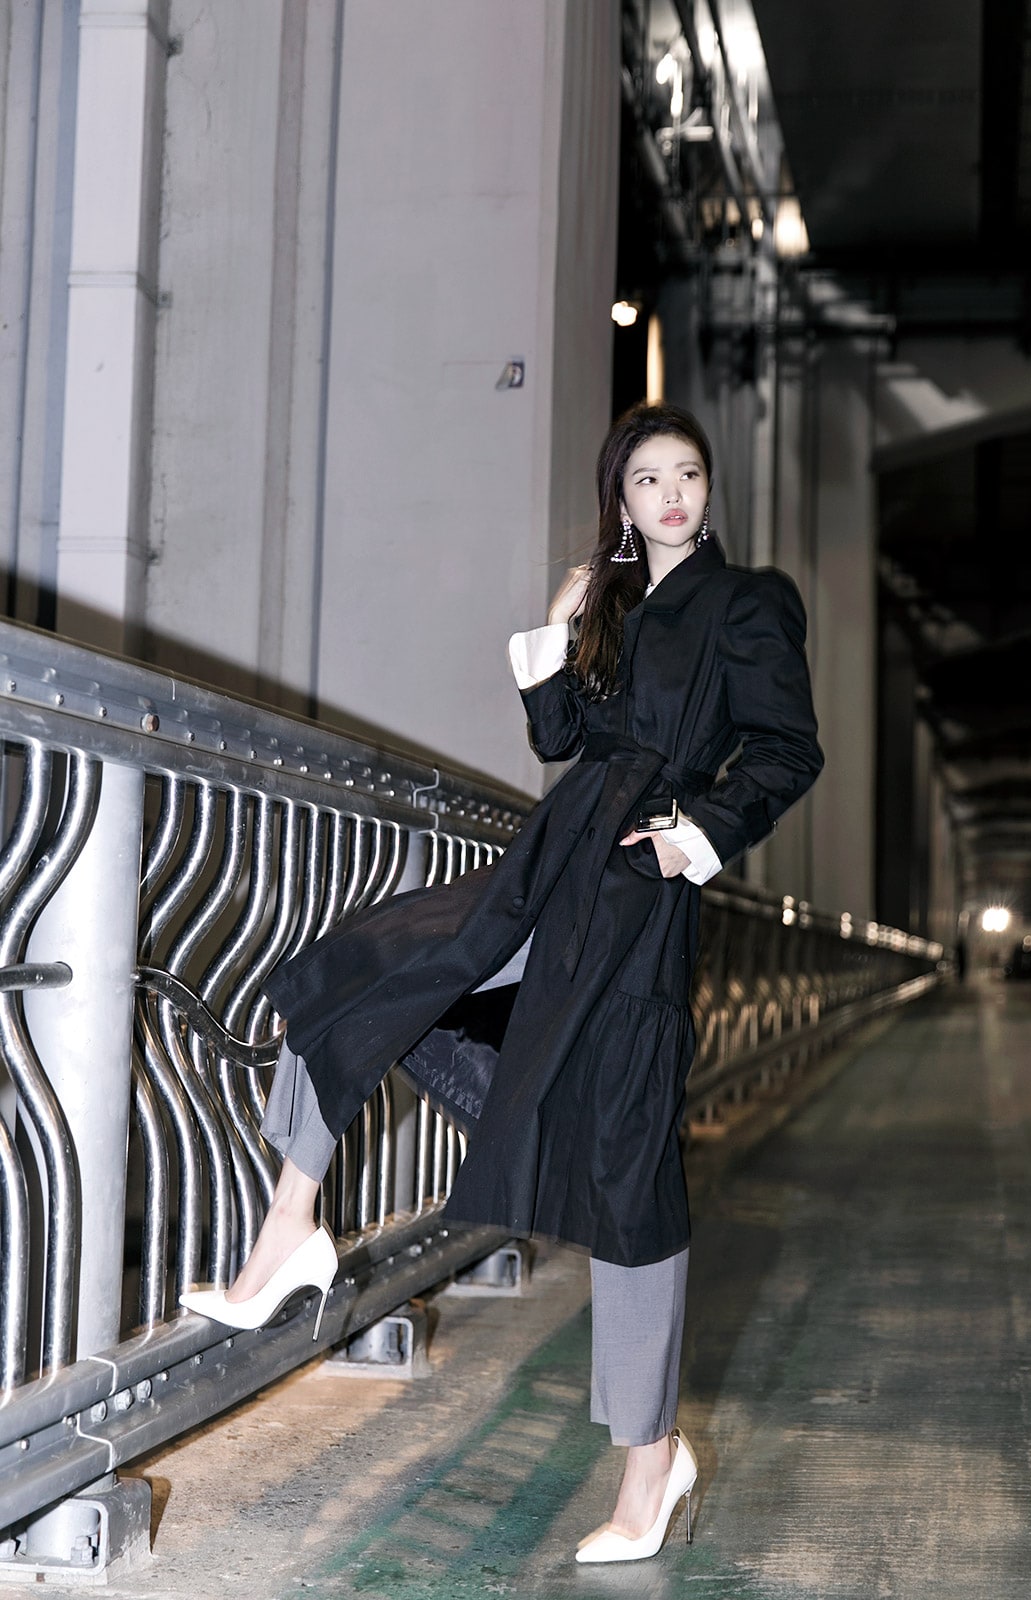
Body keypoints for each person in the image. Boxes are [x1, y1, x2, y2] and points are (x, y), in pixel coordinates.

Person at [179, 401, 824, 1563]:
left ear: (706, 487)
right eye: (647, 480)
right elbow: (558, 739)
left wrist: (694, 837)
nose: (672, 494)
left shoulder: (747, 599)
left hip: (638, 892)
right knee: (371, 967)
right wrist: (561, 628)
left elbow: (788, 747)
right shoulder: (615, 603)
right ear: (620, 500)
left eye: (686, 473)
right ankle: (289, 1228)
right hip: (553, 862)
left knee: (628, 1165)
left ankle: (650, 1460)